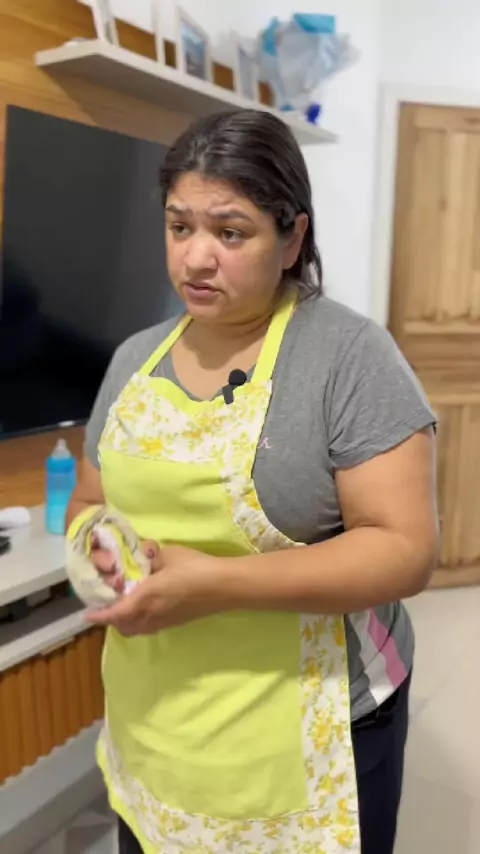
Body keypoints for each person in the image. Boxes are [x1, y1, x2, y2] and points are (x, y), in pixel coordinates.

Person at [67, 108, 438, 854]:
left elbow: (404, 551)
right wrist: (96, 556)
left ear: (292, 238)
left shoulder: (348, 358)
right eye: (179, 227)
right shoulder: (134, 359)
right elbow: (89, 502)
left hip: (314, 727)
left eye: (231, 233)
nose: (195, 258)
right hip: (158, 723)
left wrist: (210, 584)